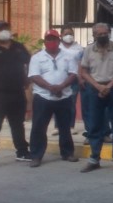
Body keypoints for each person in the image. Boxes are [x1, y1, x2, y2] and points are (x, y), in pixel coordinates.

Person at [79, 23, 113, 172]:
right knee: (94, 125)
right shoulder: (88, 50)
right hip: (94, 89)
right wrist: (98, 86)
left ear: (109, 32)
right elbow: (84, 71)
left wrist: (110, 85)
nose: (102, 36)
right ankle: (94, 158)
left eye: (105, 33)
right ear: (94, 35)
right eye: (99, 34)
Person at [27, 29, 79, 167]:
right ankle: (36, 156)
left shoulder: (69, 56)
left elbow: (73, 74)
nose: (51, 42)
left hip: (64, 96)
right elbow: (34, 76)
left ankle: (67, 153)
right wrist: (51, 88)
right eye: (48, 39)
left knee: (65, 127)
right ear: (45, 41)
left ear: (59, 40)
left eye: (54, 39)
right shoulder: (37, 57)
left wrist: (61, 87)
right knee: (38, 127)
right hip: (43, 97)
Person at [0, 20, 31, 169]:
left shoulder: (18, 47)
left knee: (18, 125)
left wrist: (27, 83)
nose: (4, 31)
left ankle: (22, 152)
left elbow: (29, 62)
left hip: (17, 92)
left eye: (6, 28)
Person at [54, 25, 83, 137]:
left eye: (70, 33)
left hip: (73, 79)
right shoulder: (57, 47)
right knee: (57, 102)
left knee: (71, 103)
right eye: (66, 34)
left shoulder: (78, 48)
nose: (68, 36)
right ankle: (57, 127)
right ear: (61, 35)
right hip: (60, 79)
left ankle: (71, 126)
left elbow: (81, 64)